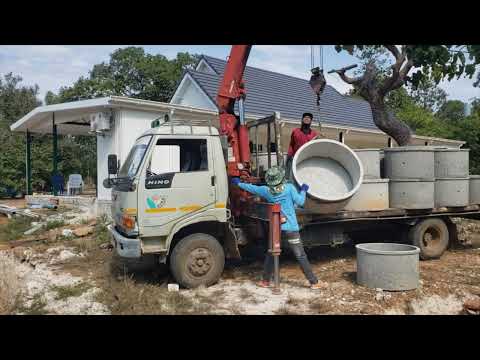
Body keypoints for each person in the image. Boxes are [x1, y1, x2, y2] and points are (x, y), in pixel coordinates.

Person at [231, 166, 327, 290]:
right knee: (300, 255)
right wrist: (303, 190)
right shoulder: (289, 188)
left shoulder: (266, 190)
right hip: (291, 229)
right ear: (281, 178)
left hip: (276, 227)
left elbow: (252, 188)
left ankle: (265, 281)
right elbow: (301, 202)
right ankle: (314, 282)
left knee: (271, 253)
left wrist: (239, 183)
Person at [285, 112, 323, 179]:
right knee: (290, 176)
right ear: (302, 120)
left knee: (304, 177)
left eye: (309, 118)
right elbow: (291, 144)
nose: (307, 119)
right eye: (305, 117)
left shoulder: (314, 134)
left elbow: (315, 147)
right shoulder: (295, 131)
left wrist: (319, 138)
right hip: (294, 158)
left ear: (311, 121)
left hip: (306, 160)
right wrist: (289, 155)